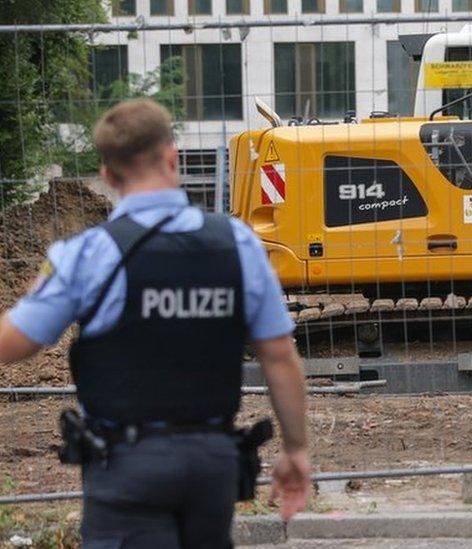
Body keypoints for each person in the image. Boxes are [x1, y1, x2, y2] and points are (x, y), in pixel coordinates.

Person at [0, 99, 311, 546]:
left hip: (126, 466)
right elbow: (280, 357)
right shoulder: (237, 243)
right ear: (172, 157)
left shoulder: (88, 253)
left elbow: (14, 343)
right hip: (212, 465)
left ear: (108, 177)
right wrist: (296, 450)